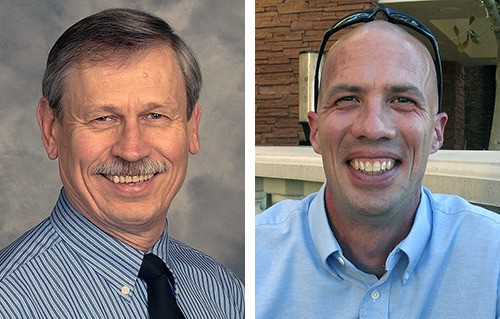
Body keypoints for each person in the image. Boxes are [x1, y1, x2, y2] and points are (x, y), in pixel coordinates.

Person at [256, 6, 499, 318]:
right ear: (315, 131)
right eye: (347, 99)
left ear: (437, 133)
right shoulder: (253, 260)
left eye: (403, 100)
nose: (372, 127)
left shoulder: (493, 261)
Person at [0, 8, 244, 318]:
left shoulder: (224, 292)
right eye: (103, 118)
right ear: (50, 129)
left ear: (192, 128)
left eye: (155, 116)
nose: (132, 150)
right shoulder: (8, 302)